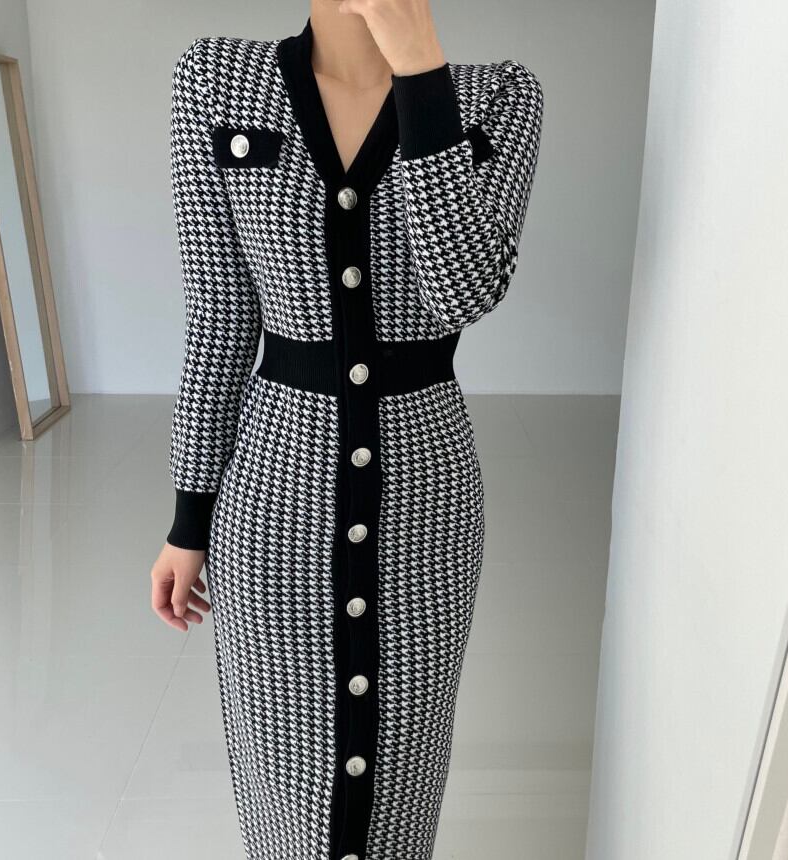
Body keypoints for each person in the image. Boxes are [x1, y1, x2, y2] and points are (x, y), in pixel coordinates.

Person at [149, 1, 543, 857]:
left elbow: (464, 291)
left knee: (402, 778)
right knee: (284, 788)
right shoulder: (215, 80)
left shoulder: (499, 98)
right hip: (271, 502)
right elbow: (219, 317)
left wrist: (422, 72)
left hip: (426, 506)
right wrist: (188, 519)